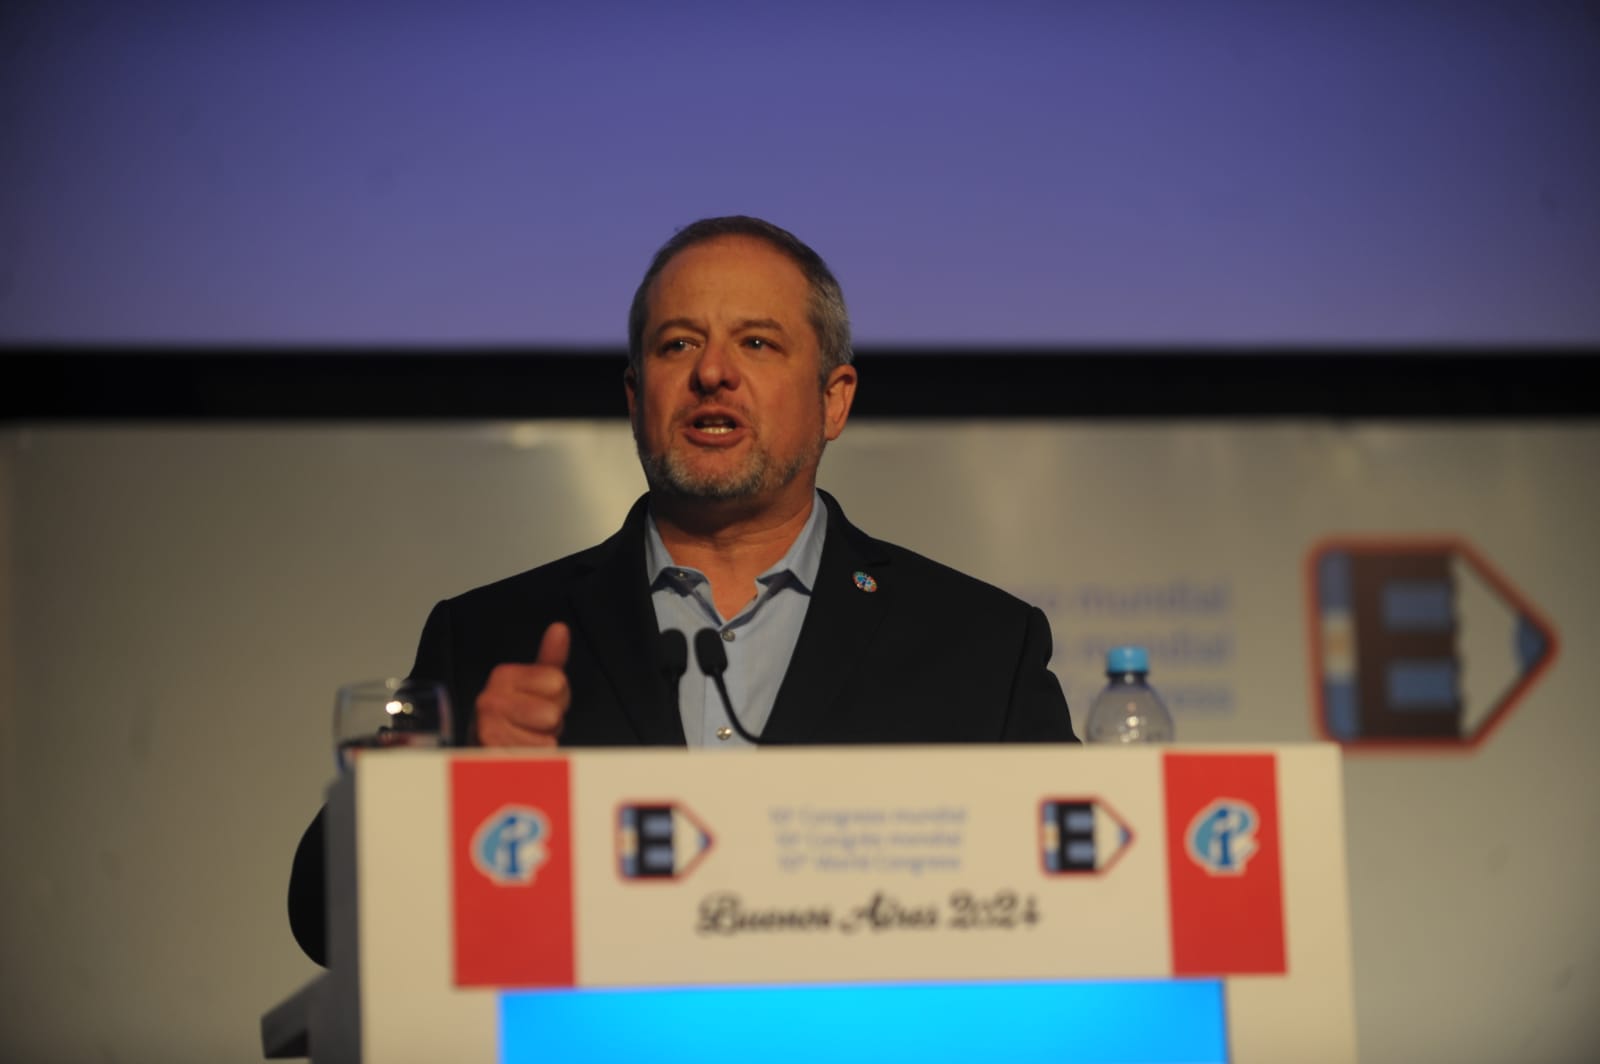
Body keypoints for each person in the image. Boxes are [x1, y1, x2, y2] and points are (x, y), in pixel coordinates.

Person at [288, 215, 1077, 965]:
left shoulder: (980, 646)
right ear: (637, 400)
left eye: (757, 342)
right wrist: (451, 784)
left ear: (833, 399)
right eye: (678, 345)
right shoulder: (493, 636)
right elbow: (325, 920)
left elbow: (1081, 902)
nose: (711, 373)